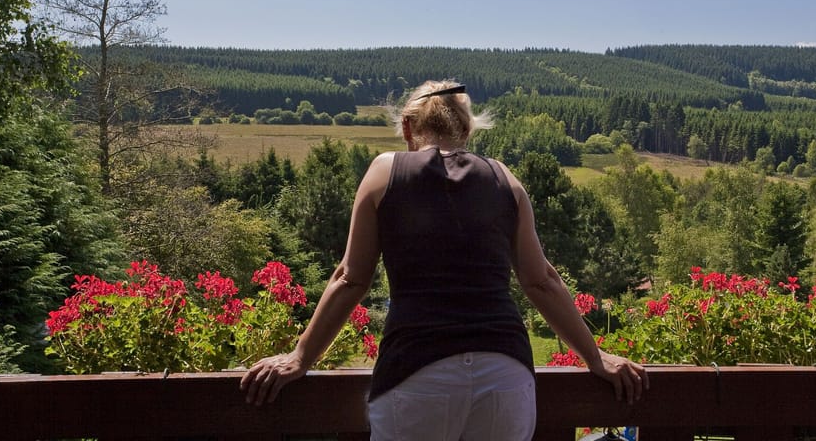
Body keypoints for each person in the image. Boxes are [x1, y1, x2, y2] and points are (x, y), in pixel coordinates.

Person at [240, 80, 648, 440]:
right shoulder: (505, 179)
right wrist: (595, 358)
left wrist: (299, 357)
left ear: (406, 128)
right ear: (467, 130)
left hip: (417, 372)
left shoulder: (386, 171)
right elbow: (540, 281)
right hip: (505, 376)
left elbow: (351, 278)